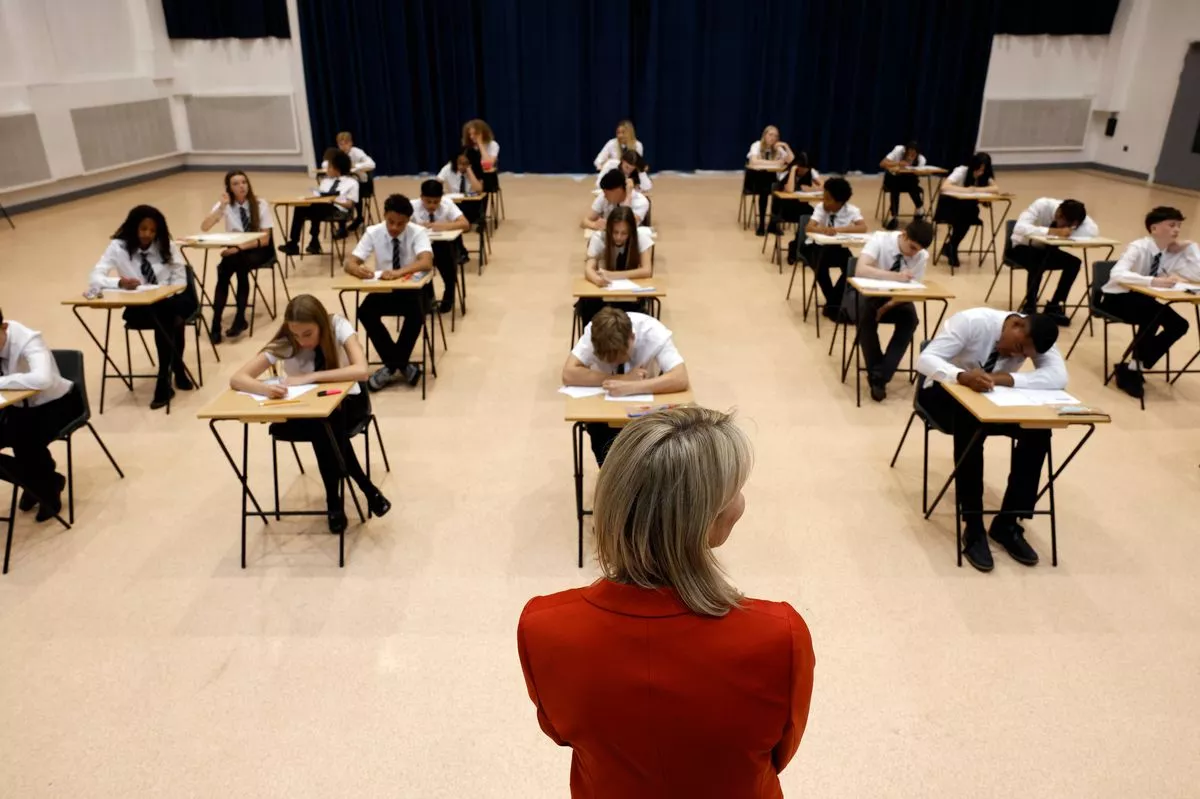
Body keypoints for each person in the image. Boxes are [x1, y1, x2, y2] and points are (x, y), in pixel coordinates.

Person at [518, 407, 815, 798]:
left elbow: (559, 731)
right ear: (705, 520)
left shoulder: (542, 626)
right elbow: (779, 752)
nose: (741, 503)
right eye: (736, 491)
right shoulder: (779, 635)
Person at [916, 309, 1066, 572]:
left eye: (1025, 355)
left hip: (993, 399)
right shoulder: (973, 322)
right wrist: (962, 376)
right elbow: (926, 358)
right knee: (969, 420)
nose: (1018, 356)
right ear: (1016, 324)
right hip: (943, 393)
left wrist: (999, 378)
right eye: (1018, 347)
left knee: (1039, 430)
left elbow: (1057, 377)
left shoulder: (1037, 336)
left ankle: (1007, 523)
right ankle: (972, 524)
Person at [228, 295, 390, 534]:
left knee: (326, 424)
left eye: (307, 334)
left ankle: (334, 502)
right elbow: (237, 379)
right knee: (322, 424)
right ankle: (366, 488)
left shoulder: (338, 326)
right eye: (295, 334)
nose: (301, 341)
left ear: (321, 325)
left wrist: (311, 377)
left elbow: (362, 370)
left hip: (349, 404)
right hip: (305, 412)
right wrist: (266, 389)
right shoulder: (287, 340)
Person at [88, 205, 197, 410]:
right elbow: (95, 277)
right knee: (171, 320)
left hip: (172, 299)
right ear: (133, 228)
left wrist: (161, 292)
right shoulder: (118, 247)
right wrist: (118, 283)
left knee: (167, 313)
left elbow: (181, 279)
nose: (147, 234)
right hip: (140, 306)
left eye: (152, 231)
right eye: (143, 229)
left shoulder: (166, 245)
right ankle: (176, 369)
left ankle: (163, 378)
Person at [561, 307, 688, 466]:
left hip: (645, 411)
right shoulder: (593, 333)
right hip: (604, 410)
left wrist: (632, 387)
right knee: (602, 441)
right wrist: (622, 378)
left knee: (651, 447)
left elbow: (680, 377)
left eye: (620, 357)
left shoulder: (653, 332)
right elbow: (568, 374)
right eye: (609, 361)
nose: (615, 363)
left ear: (632, 338)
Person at [1100, 206, 1200, 398]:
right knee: (1152, 317)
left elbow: (1198, 274)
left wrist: (1190, 247)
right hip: (1116, 299)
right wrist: (1153, 281)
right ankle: (1132, 369)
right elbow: (1117, 273)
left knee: (1180, 325)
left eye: (1179, 226)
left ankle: (1133, 366)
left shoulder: (1170, 253)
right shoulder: (1139, 247)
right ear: (1154, 228)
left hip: (1143, 301)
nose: (1177, 230)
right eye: (1172, 225)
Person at [343, 194, 433, 392]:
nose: (394, 228)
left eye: (400, 224)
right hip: (384, 290)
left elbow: (426, 261)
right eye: (390, 222)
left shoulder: (418, 232)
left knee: (417, 313)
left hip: (414, 291)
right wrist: (356, 269)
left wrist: (398, 272)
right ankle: (400, 364)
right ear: (384, 215)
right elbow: (350, 261)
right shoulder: (373, 231)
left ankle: (391, 366)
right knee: (365, 312)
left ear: (408, 221)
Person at [0, 308, 79, 522]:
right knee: (19, 433)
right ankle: (45, 482)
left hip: (57, 404)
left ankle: (42, 488)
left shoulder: (28, 339)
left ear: (4, 327)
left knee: (23, 439)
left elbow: (42, 380)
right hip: (16, 408)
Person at [855, 220, 934, 402]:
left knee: (910, 320)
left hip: (896, 299)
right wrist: (895, 277)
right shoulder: (880, 239)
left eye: (918, 250)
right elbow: (861, 269)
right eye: (912, 247)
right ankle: (878, 374)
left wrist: (888, 306)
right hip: (869, 292)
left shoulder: (922, 255)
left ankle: (880, 375)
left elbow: (913, 289)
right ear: (904, 235)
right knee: (866, 316)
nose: (914, 253)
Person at [198, 170, 274, 343]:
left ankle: (239, 318)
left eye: (244, 182)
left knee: (236, 265)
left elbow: (265, 239)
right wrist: (221, 208)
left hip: (258, 250)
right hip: (236, 252)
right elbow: (205, 227)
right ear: (229, 188)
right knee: (225, 272)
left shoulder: (260, 204)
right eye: (236, 184)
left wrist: (239, 248)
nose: (241, 186)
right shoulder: (225, 204)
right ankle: (217, 322)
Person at [1009, 197, 1098, 325]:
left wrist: (1069, 231)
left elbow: (1093, 230)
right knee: (1038, 260)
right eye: (1066, 224)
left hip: (1047, 250)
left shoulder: (1076, 213)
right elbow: (1020, 228)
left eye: (1071, 226)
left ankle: (1055, 305)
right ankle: (1030, 305)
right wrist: (1052, 231)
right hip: (1021, 247)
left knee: (1074, 263)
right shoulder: (1042, 205)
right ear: (1058, 214)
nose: (1068, 228)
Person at [795, 177, 868, 318]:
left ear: (839, 202)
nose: (824, 200)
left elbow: (863, 227)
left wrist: (839, 230)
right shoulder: (820, 208)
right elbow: (809, 227)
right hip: (814, 247)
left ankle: (833, 302)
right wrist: (823, 230)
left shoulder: (852, 210)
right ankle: (833, 304)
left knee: (852, 267)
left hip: (837, 247)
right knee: (820, 267)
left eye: (828, 198)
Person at [579, 207, 656, 327]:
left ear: (631, 231)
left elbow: (647, 270)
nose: (619, 237)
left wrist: (613, 275)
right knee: (588, 305)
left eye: (624, 233)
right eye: (615, 232)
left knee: (637, 316)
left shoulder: (641, 238)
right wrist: (597, 279)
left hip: (631, 295)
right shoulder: (599, 238)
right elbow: (589, 268)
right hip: (604, 294)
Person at [280, 148, 358, 256]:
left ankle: (314, 241)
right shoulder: (325, 181)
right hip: (321, 207)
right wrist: (308, 198)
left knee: (318, 207)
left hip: (338, 210)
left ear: (337, 168)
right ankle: (294, 243)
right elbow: (319, 197)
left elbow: (350, 204)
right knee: (300, 207)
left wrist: (334, 199)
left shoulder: (352, 182)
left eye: (330, 167)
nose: (327, 170)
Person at [411, 179, 470, 314]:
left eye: (436, 202)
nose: (432, 205)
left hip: (443, 245)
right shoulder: (412, 206)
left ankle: (448, 299)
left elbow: (465, 224)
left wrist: (443, 226)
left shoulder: (447, 204)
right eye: (428, 202)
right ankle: (427, 299)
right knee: (422, 269)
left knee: (448, 269)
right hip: (420, 248)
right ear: (421, 198)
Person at [934, 152, 997, 267]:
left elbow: (995, 188)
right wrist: (966, 190)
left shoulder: (985, 175)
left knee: (968, 214)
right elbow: (944, 186)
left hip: (968, 211)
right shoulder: (962, 171)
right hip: (950, 207)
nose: (980, 172)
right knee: (965, 216)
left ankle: (951, 246)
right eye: (978, 169)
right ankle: (951, 247)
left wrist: (976, 190)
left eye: (983, 170)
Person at [745, 125, 794, 236]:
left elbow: (791, 161)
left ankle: (773, 223)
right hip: (756, 180)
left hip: (773, 181)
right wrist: (775, 163)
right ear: (765, 135)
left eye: (776, 136)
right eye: (770, 134)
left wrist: (786, 146)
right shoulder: (756, 145)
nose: (773, 138)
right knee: (766, 186)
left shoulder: (778, 148)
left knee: (777, 190)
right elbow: (754, 161)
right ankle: (762, 224)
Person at [323, 132, 376, 233]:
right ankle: (342, 223)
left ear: (351, 143)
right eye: (340, 144)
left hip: (362, 184)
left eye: (346, 143)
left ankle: (358, 217)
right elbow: (325, 164)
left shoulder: (356, 152)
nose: (344, 146)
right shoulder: (338, 154)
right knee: (338, 192)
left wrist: (355, 166)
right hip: (346, 186)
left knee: (348, 193)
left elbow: (371, 164)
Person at [770, 150, 823, 234]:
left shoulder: (811, 171)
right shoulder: (784, 172)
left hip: (800, 205)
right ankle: (797, 241)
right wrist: (793, 171)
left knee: (813, 213)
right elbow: (790, 190)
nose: (804, 171)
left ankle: (800, 239)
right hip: (783, 209)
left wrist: (810, 189)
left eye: (807, 169)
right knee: (806, 213)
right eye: (802, 168)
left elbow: (824, 187)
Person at [582, 168, 650, 231]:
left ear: (618, 190)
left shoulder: (641, 202)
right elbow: (584, 221)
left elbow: (624, 226)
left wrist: (628, 196)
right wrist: (594, 225)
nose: (605, 196)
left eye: (606, 193)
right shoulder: (603, 196)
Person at [880, 141, 927, 230]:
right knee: (896, 187)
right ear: (905, 151)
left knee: (912, 184)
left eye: (913, 154)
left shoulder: (921, 159)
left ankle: (919, 208)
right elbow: (882, 163)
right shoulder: (898, 150)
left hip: (908, 182)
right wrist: (898, 163)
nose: (910, 156)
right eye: (909, 153)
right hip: (892, 179)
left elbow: (918, 174)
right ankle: (895, 216)